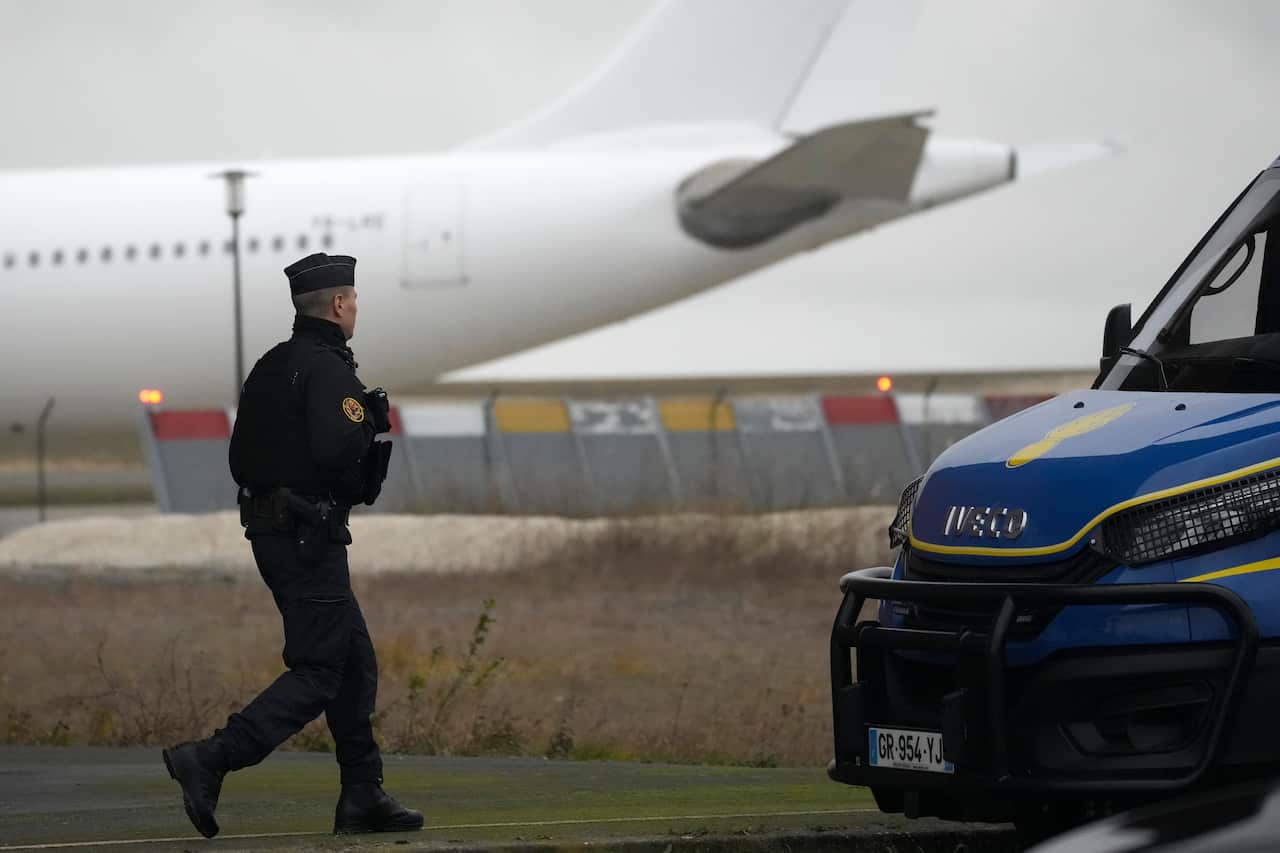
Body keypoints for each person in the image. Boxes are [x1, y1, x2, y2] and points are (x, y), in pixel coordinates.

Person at [162, 252, 422, 838]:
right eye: (352, 299)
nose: (355, 307)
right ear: (337, 304)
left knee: (353, 661)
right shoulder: (329, 369)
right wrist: (367, 424)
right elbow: (336, 452)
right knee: (321, 670)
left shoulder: (271, 366)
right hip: (310, 538)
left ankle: (362, 794)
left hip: (272, 534)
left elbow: (239, 458)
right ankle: (210, 758)